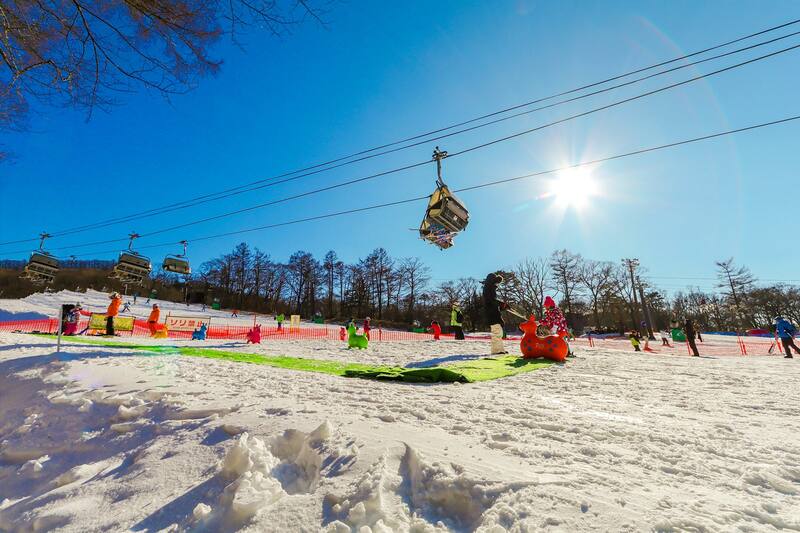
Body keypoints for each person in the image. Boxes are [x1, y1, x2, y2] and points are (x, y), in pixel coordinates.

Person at [483, 272, 507, 355]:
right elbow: (491, 301)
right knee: (497, 332)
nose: (497, 284)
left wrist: (503, 307)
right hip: (491, 313)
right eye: (496, 282)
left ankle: (500, 349)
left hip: (493, 312)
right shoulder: (488, 289)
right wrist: (501, 304)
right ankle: (496, 350)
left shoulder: (490, 288)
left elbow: (494, 303)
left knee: (499, 332)